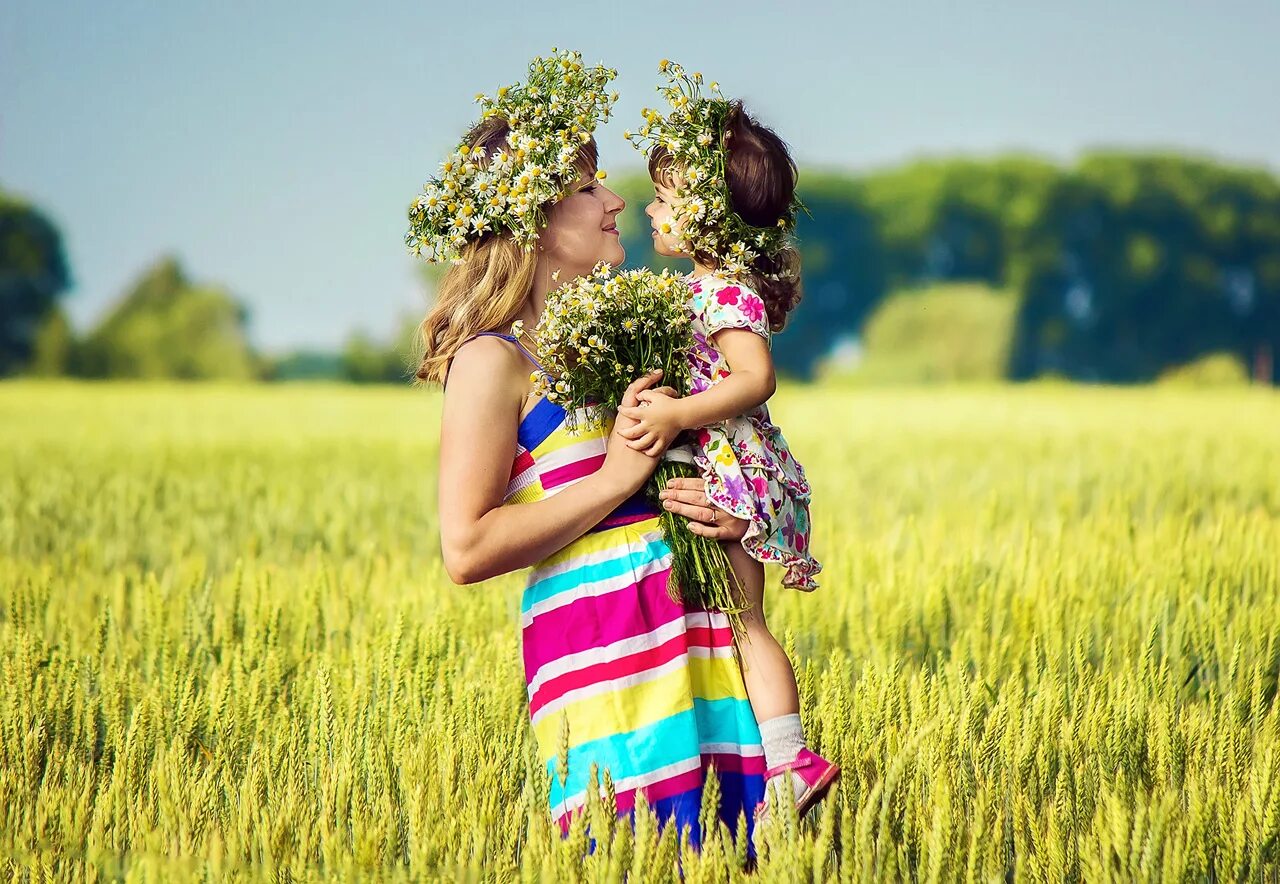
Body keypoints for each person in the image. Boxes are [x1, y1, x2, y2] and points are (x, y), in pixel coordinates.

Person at [408, 50, 766, 847]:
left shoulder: (621, 336)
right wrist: (615, 479)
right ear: (533, 220)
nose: (615, 199)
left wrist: (720, 509)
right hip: (607, 662)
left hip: (698, 638)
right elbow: (466, 546)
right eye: (586, 187)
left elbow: (700, 455)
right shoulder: (491, 361)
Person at [622, 61, 837, 819]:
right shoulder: (706, 286)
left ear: (707, 213)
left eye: (664, 196)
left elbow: (755, 379)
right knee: (727, 622)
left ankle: (788, 761)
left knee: (746, 624)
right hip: (721, 465)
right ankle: (758, 760)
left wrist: (679, 417)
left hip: (732, 470)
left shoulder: (723, 290)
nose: (648, 209)